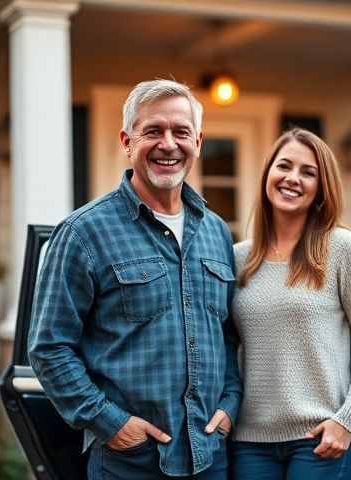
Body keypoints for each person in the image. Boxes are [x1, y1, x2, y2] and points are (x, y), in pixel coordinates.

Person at [28, 79, 241, 480]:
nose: (168, 144)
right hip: (129, 463)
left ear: (198, 141)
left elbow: (227, 334)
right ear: (127, 141)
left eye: (181, 132)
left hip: (210, 454)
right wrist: (110, 423)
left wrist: (229, 405)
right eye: (153, 131)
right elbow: (49, 347)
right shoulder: (82, 233)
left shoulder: (216, 232)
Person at [229, 128, 351, 479]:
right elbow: (226, 348)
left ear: (322, 187)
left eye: (308, 172)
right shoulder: (238, 259)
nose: (292, 178)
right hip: (250, 441)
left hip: (319, 439)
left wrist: (345, 420)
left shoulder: (342, 249)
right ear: (268, 174)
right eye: (284, 166)